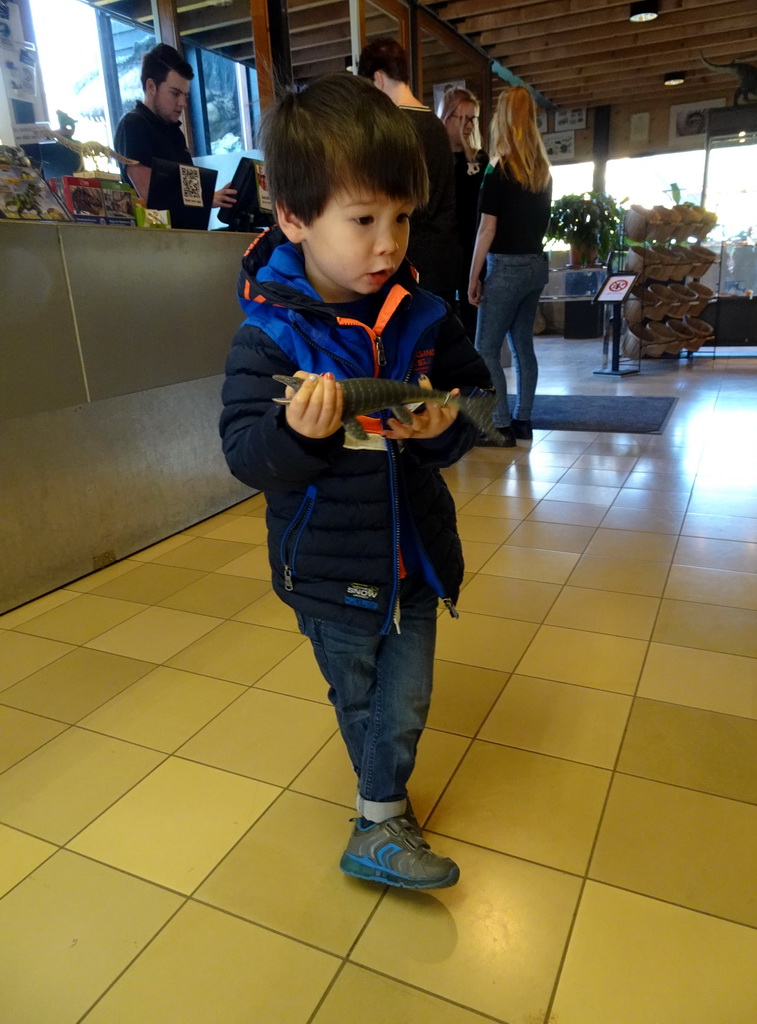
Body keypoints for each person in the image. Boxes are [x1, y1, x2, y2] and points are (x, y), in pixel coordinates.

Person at [219, 73, 494, 890]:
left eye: (401, 219)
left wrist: (448, 425)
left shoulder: (421, 314)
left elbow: (477, 399)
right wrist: (295, 438)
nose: (388, 244)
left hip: (413, 552)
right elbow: (244, 450)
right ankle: (381, 822)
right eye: (364, 220)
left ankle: (380, 815)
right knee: (366, 696)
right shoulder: (269, 335)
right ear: (295, 219)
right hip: (330, 567)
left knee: (402, 695)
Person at [468, 86, 552, 445]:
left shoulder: (500, 170)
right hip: (536, 266)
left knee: (485, 348)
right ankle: (524, 421)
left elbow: (487, 229)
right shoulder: (543, 173)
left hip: (505, 267)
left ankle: (500, 425)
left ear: (503, 119)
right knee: (523, 347)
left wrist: (473, 276)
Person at [357, 38, 462, 306]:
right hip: (443, 257)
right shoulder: (437, 126)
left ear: (378, 79)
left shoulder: (392, 128)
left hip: (408, 259)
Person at [113, 43, 236, 214]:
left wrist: (212, 196)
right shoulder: (133, 125)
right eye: (175, 93)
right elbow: (150, 196)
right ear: (151, 87)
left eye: (185, 95)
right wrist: (207, 198)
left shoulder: (175, 132)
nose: (182, 103)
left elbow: (191, 192)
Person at [439, 86, 489, 336]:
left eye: (474, 118)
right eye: (464, 118)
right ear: (447, 118)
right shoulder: (436, 160)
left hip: (474, 249)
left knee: (474, 321)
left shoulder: (481, 160)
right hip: (444, 251)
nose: (470, 125)